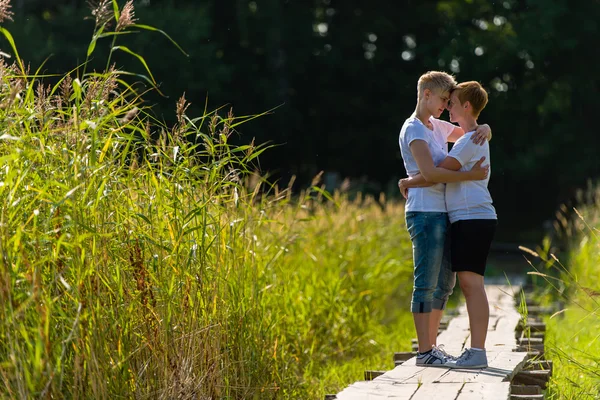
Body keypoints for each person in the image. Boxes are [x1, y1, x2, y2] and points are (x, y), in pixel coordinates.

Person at [399, 81, 497, 369]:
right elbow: (433, 172)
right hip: (436, 213)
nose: (446, 106)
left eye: (450, 102)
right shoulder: (415, 128)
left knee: (455, 284)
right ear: (426, 94)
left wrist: (486, 127)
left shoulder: (448, 132)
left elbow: (462, 142)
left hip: (462, 215)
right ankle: (427, 351)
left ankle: (445, 349)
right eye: (443, 100)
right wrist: (484, 129)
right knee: (436, 283)